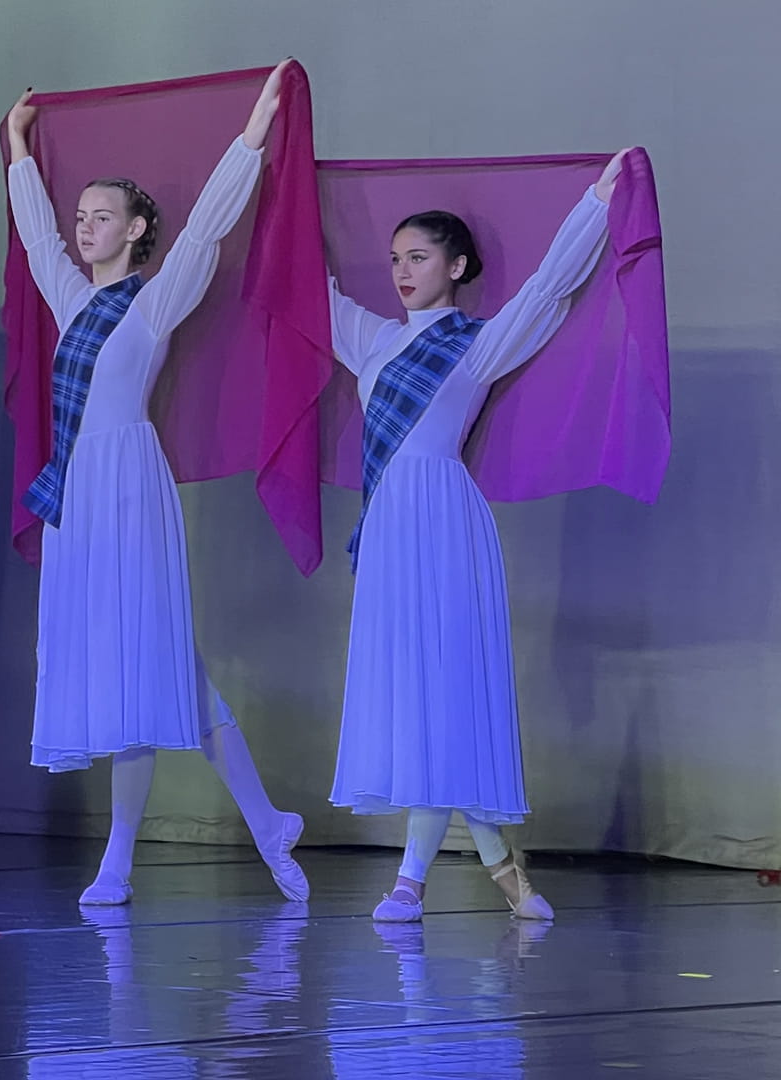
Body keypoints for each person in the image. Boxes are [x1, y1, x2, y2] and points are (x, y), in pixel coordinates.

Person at [4, 62, 309, 907]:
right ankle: (260, 822)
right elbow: (35, 241)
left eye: (104, 216)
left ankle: (125, 858)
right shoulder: (72, 303)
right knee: (138, 670)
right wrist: (19, 150)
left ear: (139, 229)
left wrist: (253, 135)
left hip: (129, 488)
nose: (85, 227)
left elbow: (209, 231)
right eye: (82, 216)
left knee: (153, 665)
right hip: (78, 497)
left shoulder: (151, 302)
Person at [329, 148, 632, 924]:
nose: (403, 271)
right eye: (395, 258)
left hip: (448, 527)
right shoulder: (370, 338)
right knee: (418, 698)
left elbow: (550, 289)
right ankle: (504, 871)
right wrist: (273, 169)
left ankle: (411, 881)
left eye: (420, 257)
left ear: (457, 265)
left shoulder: (477, 342)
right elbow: (302, 288)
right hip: (393, 530)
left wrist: (597, 201)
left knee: (449, 692)